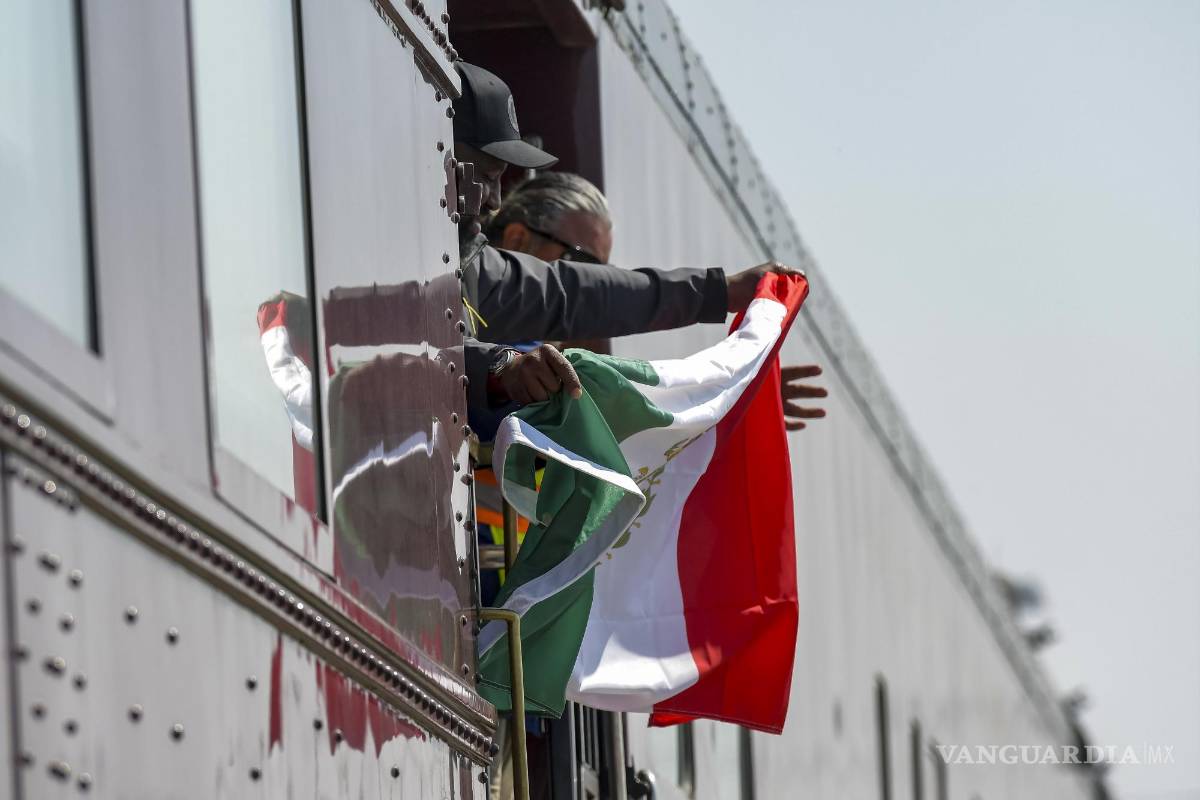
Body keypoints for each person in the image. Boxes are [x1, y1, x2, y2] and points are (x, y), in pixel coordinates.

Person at [450, 61, 807, 419]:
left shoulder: (479, 281)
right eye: (581, 260)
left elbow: (581, 296)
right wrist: (498, 368)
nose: (494, 200)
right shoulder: (522, 353)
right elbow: (572, 298)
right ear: (517, 237)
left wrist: (723, 388)